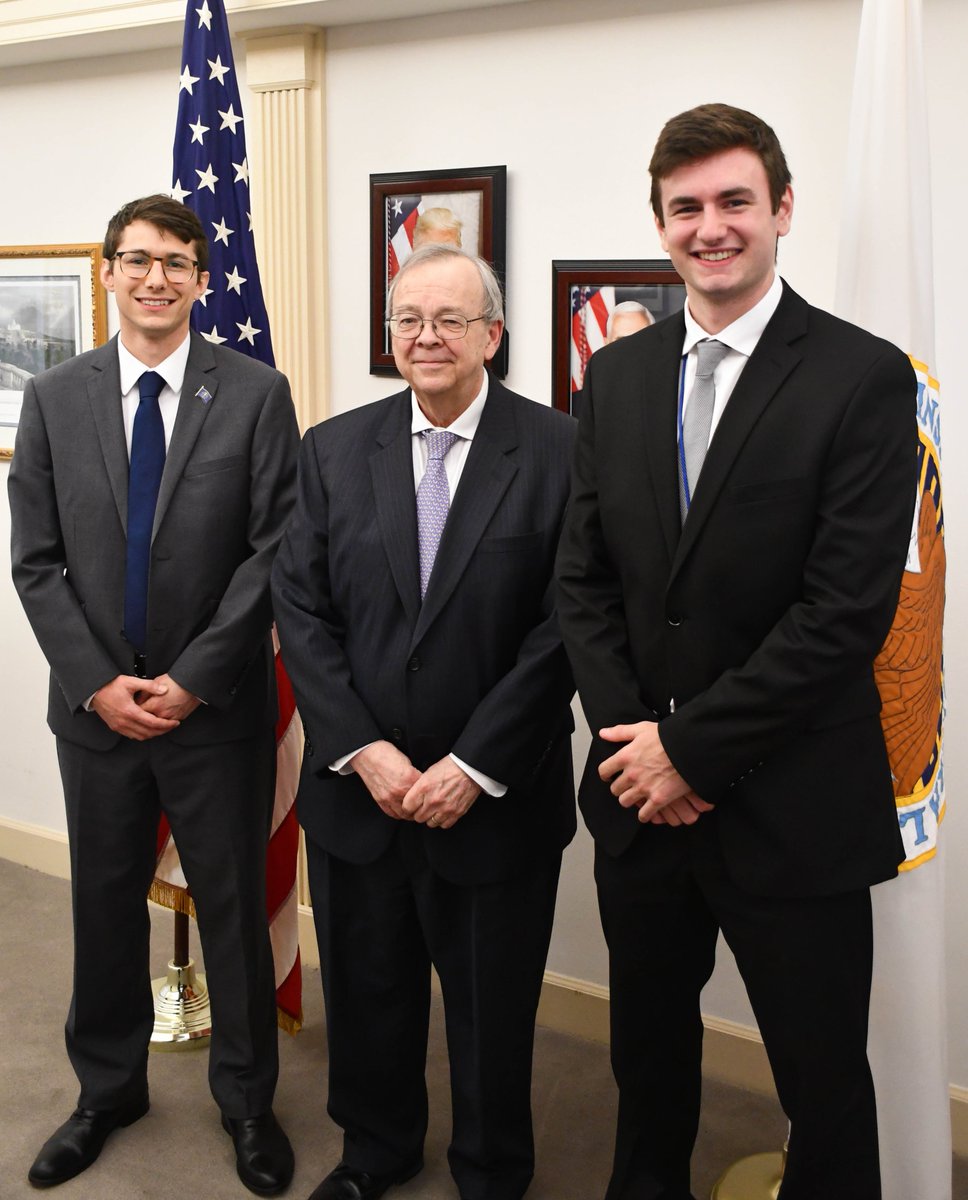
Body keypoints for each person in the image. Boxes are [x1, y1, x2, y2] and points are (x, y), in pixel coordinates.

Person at [556, 103, 916, 1200]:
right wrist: (638, 747)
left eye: (733, 201)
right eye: (685, 207)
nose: (709, 227)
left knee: (821, 1082)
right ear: (659, 223)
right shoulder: (616, 375)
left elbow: (842, 613)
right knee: (647, 1063)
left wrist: (689, 753)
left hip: (790, 805)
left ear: (782, 209)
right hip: (640, 802)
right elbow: (584, 581)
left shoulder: (862, 376)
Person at [272, 243, 576, 1200]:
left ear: (494, 334)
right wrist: (363, 751)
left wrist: (472, 765)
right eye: (408, 319)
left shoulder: (563, 451)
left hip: (496, 800)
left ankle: (491, 1172)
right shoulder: (332, 449)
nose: (427, 337)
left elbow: (570, 626)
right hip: (361, 797)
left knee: (492, 1011)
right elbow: (301, 610)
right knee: (368, 994)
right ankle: (376, 1152)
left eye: (450, 319)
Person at [8, 194, 299, 1196]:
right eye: (137, 260)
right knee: (102, 907)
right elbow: (35, 562)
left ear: (202, 279)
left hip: (213, 713)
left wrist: (191, 680)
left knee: (233, 911)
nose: (155, 278)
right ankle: (107, 1091)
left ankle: (248, 1102)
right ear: (108, 272)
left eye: (176, 262)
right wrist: (97, 684)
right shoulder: (55, 397)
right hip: (96, 717)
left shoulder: (255, 393)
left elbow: (273, 552)